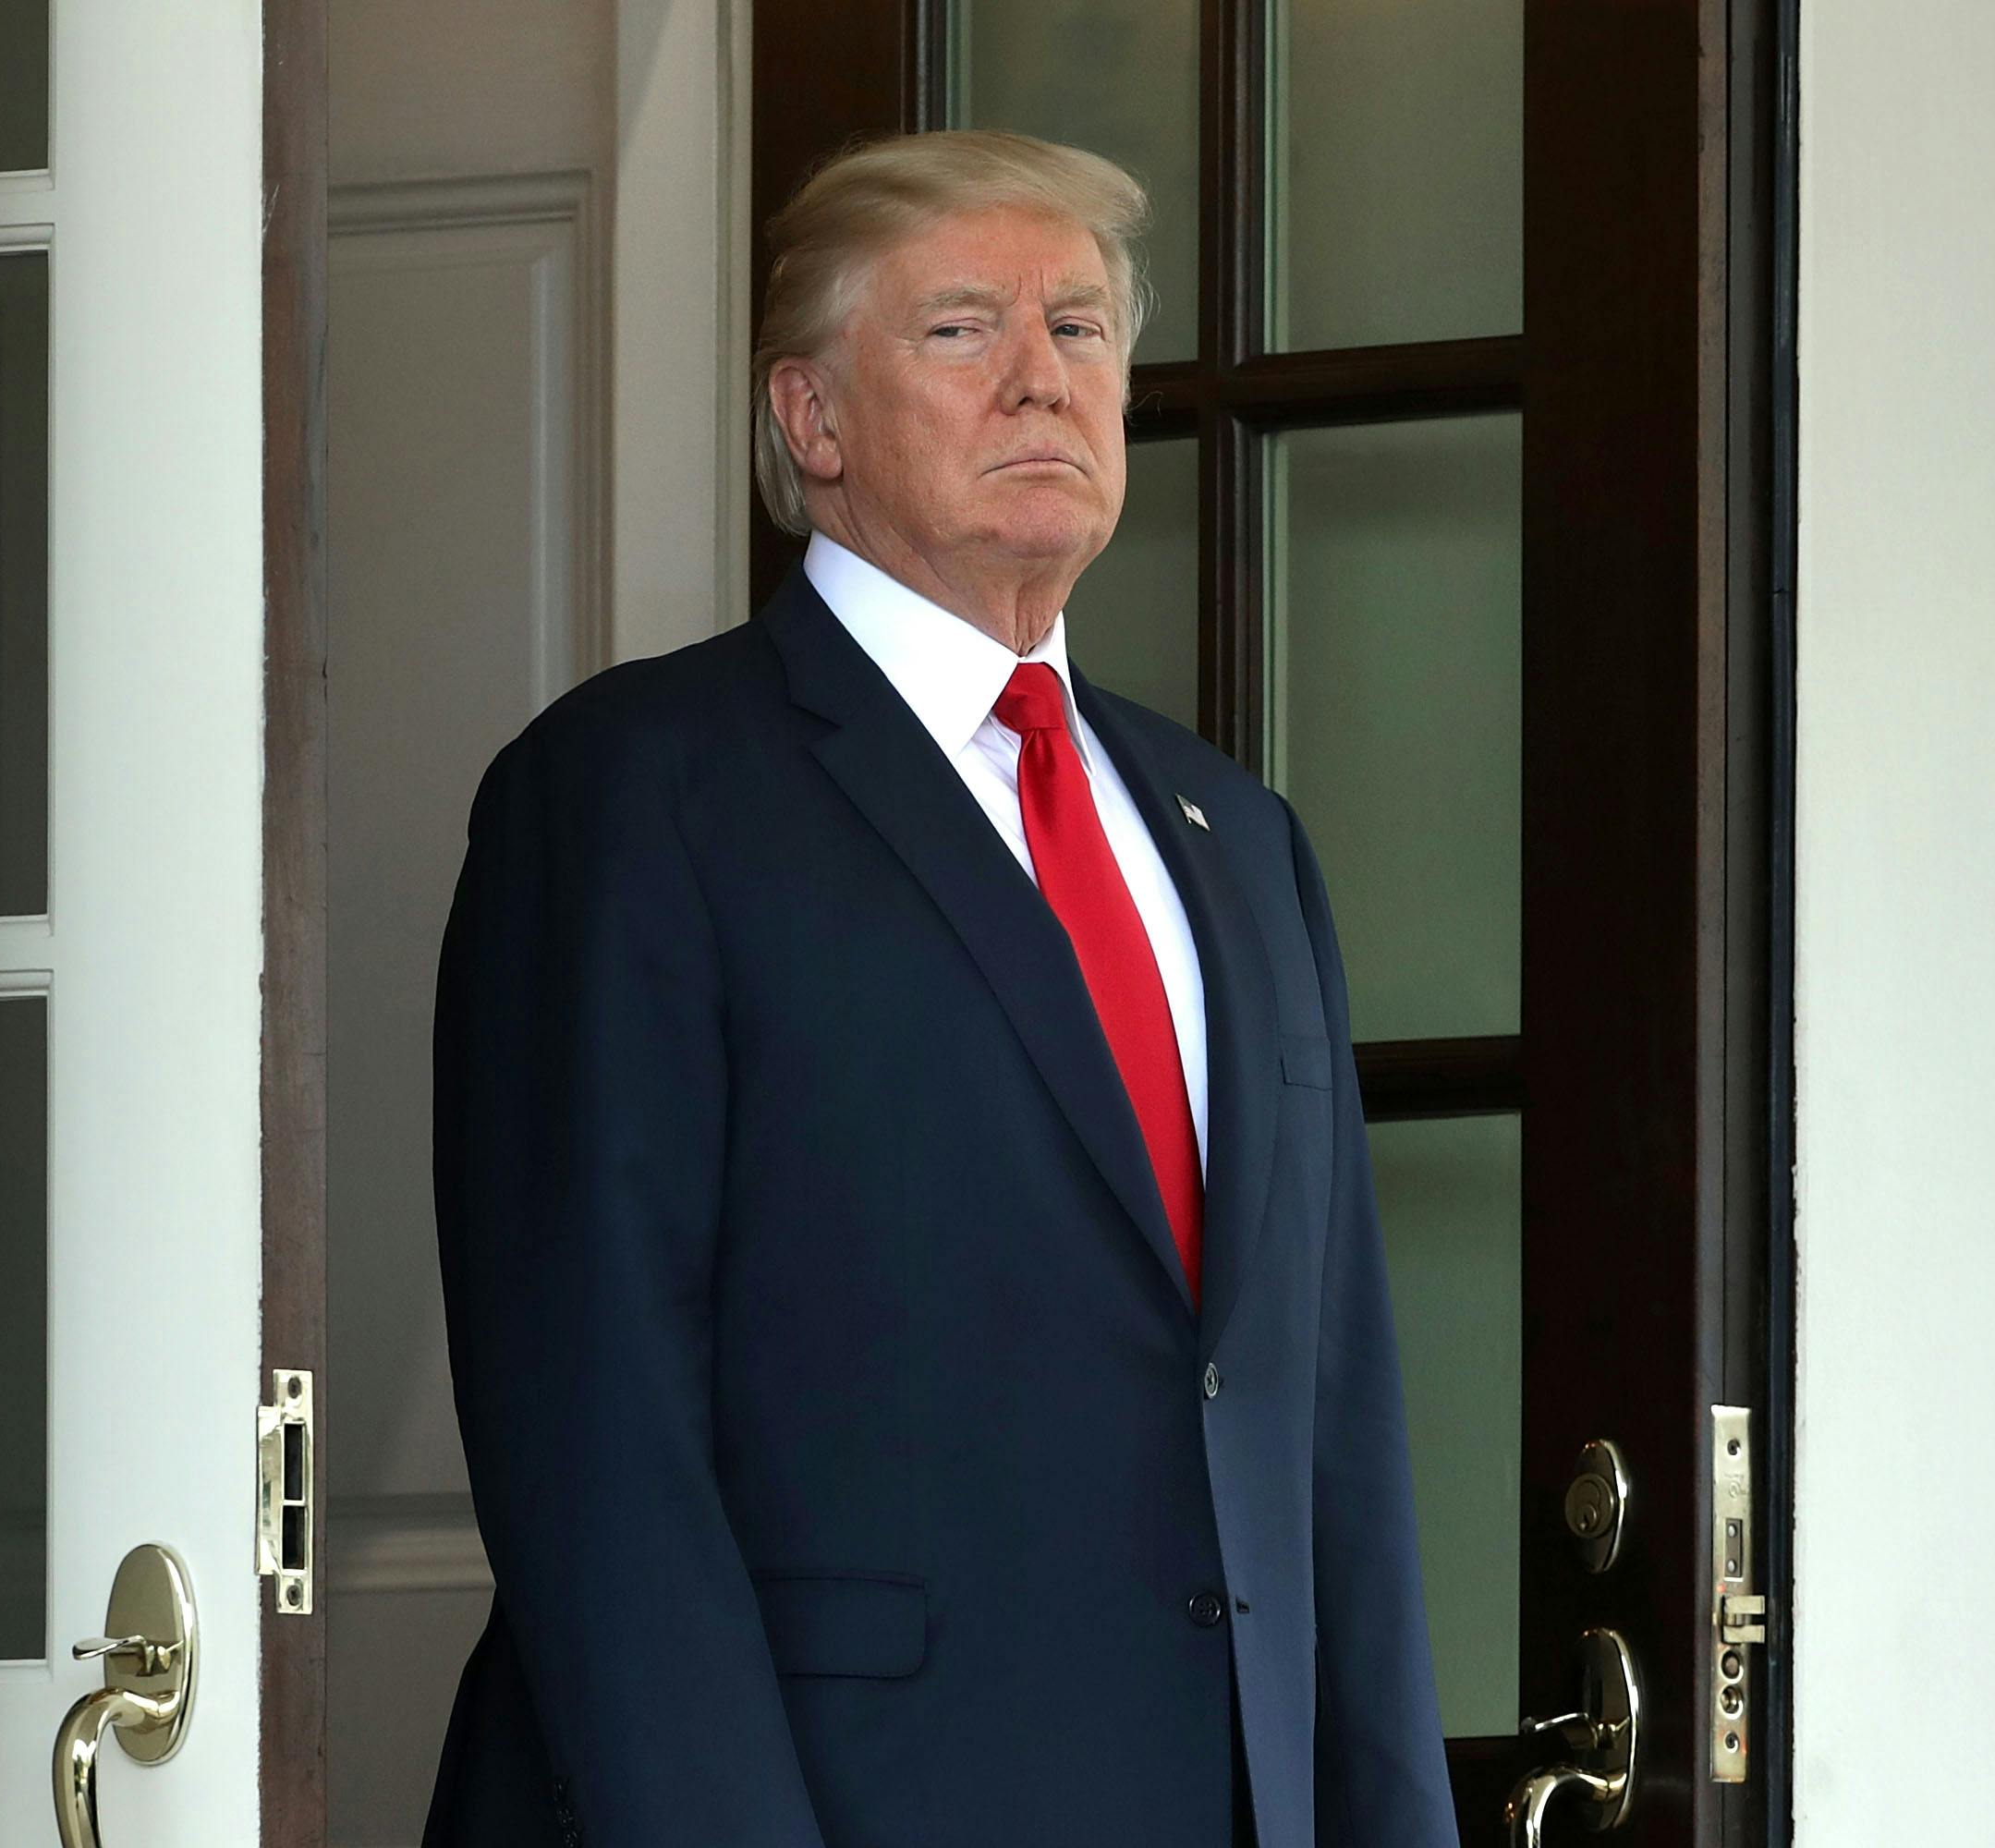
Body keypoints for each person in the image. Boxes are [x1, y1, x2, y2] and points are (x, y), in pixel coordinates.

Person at [419, 128, 1457, 1848]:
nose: (1043, 381)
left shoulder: (1240, 837)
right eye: (965, 331)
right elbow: (596, 1443)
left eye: (1081, 330)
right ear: (811, 420)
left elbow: (1330, 1428)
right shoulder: (632, 798)